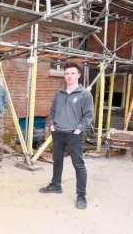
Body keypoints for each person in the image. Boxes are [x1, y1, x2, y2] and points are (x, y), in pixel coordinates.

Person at [39, 62, 94, 210]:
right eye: (67, 73)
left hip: (74, 134)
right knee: (57, 160)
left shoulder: (84, 94)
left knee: (79, 165)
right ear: (64, 75)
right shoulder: (59, 93)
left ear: (78, 75)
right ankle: (56, 185)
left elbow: (88, 116)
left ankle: (81, 195)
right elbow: (53, 110)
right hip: (58, 133)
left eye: (72, 73)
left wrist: (79, 129)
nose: (69, 76)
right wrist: (52, 125)